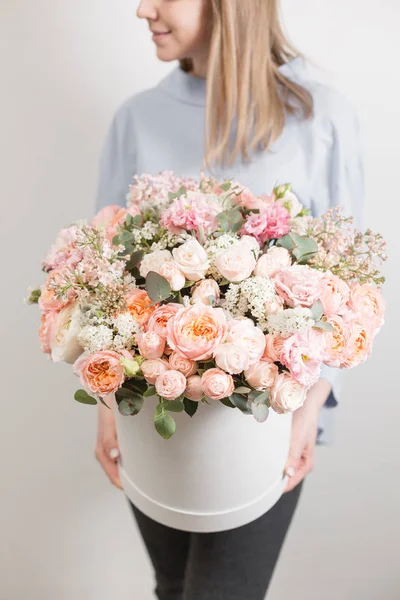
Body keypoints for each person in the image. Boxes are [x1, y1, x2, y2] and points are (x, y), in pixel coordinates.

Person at [93, 0, 364, 598]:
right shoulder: (135, 119)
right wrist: (108, 404)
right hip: (150, 416)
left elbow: (352, 296)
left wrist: (309, 409)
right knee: (172, 587)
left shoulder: (320, 119)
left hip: (266, 422)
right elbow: (107, 284)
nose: (142, 9)